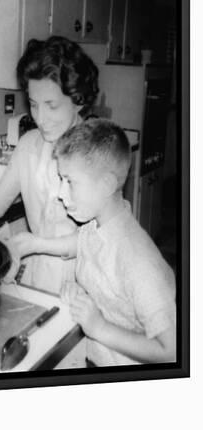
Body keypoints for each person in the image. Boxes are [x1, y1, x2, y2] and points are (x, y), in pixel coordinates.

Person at [0, 36, 100, 294]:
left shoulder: (97, 152)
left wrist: (36, 243)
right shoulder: (29, 145)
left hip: (85, 282)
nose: (40, 118)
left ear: (78, 99)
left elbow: (97, 240)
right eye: (34, 104)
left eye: (51, 106)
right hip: (38, 277)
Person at [46, 118, 175, 366]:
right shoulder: (92, 227)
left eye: (69, 181)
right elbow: (109, 290)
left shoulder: (138, 261)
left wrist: (100, 327)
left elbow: (172, 350)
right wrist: (83, 296)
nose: (61, 194)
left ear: (106, 185)